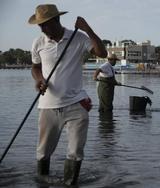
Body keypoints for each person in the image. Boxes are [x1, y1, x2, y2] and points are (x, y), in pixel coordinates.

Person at [29, 4, 107, 185]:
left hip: (76, 104)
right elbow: (35, 67)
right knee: (43, 151)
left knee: (75, 151)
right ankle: (42, 180)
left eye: (46, 24)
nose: (43, 29)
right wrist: (39, 80)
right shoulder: (38, 43)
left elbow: (102, 53)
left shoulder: (78, 37)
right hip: (47, 105)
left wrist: (88, 29)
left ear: (56, 20)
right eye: (40, 26)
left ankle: (70, 183)